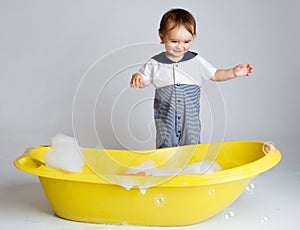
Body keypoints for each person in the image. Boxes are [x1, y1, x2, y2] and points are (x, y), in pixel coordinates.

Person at [130, 8, 252, 148]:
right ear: (162, 36)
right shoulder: (155, 62)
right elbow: (143, 79)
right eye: (174, 41)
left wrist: (233, 72)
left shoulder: (196, 61)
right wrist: (137, 77)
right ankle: (166, 168)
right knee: (166, 143)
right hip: (166, 118)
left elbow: (215, 74)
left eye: (186, 42)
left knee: (191, 143)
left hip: (190, 119)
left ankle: (192, 166)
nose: (180, 47)